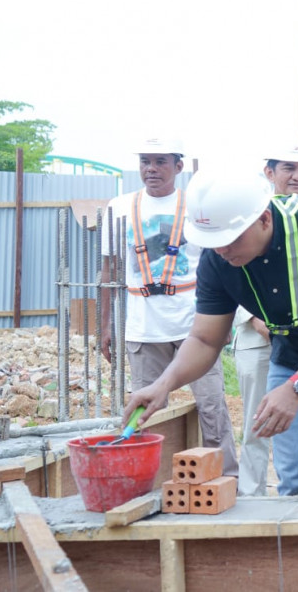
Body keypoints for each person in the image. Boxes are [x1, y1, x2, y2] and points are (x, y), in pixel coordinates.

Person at [125, 168, 298, 496]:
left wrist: (294, 389)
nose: (222, 251)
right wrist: (163, 385)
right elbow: (205, 339)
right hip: (294, 355)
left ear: (263, 219)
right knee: (297, 480)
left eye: (230, 239)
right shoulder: (219, 259)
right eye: (213, 243)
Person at [100, 137, 237, 478]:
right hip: (143, 327)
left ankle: (227, 479)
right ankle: (150, 483)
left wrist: (226, 320)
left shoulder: (196, 206)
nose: (151, 168)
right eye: (146, 161)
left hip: (196, 327)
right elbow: (109, 271)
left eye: (161, 161)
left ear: (178, 166)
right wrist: (105, 325)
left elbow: (220, 264)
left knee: (211, 407)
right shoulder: (120, 207)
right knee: (144, 410)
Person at [229, 140, 298, 496]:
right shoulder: (249, 209)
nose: (297, 177)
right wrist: (258, 321)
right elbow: (231, 266)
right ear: (269, 172)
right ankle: (251, 495)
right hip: (257, 338)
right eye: (288, 168)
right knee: (258, 421)